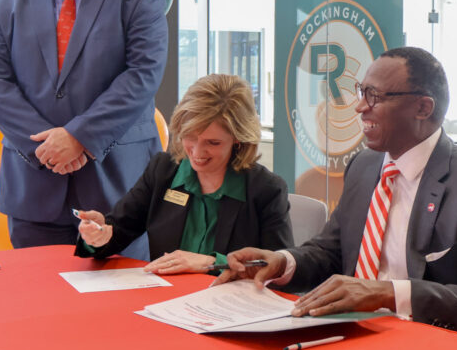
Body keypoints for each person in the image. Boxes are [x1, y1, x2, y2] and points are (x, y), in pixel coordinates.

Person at [217, 47, 457, 344]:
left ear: (423, 108)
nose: (360, 106)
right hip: (353, 334)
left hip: (431, 345)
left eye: (374, 96)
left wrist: (387, 293)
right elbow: (331, 252)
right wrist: (282, 262)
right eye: (361, 91)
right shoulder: (365, 166)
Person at [0, 0, 168, 248]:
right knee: (36, 286)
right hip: (34, 193)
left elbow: (142, 75)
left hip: (120, 192)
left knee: (122, 286)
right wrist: (49, 149)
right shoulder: (4, 6)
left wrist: (79, 137)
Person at [74, 74, 294, 272]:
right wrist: (98, 235)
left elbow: (277, 268)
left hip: (231, 302)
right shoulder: (163, 171)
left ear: (238, 140)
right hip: (167, 296)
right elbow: (118, 230)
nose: (197, 152)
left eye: (213, 143)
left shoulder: (266, 190)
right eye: (190, 136)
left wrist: (212, 262)